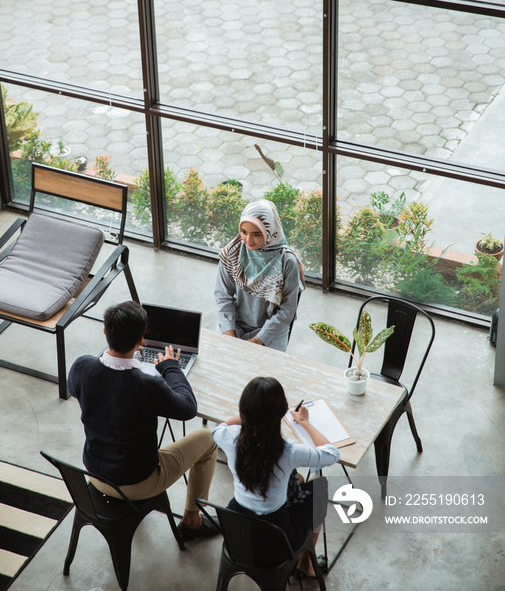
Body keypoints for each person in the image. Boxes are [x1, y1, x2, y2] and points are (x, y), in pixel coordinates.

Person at [68, 300, 219, 542]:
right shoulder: (147, 385)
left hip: (94, 473)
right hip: (136, 483)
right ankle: (192, 521)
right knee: (207, 439)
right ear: (142, 341)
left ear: (105, 331)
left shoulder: (81, 367)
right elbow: (189, 408)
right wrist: (171, 367)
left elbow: (81, 389)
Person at [212, 376, 339, 577]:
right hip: (276, 544)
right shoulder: (287, 452)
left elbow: (217, 428)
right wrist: (304, 421)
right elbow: (332, 453)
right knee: (320, 488)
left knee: (297, 478)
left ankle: (304, 563)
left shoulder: (230, 438)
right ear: (281, 414)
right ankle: (305, 565)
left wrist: (249, 415)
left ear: (243, 411)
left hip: (237, 534)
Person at [215, 199, 304, 352]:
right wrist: (229, 334)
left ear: (269, 232)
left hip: (272, 330)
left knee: (264, 374)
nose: (248, 240)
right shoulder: (232, 253)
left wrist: (258, 340)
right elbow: (223, 296)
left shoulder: (286, 261)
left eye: (256, 234)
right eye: (244, 232)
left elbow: (287, 310)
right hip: (235, 323)